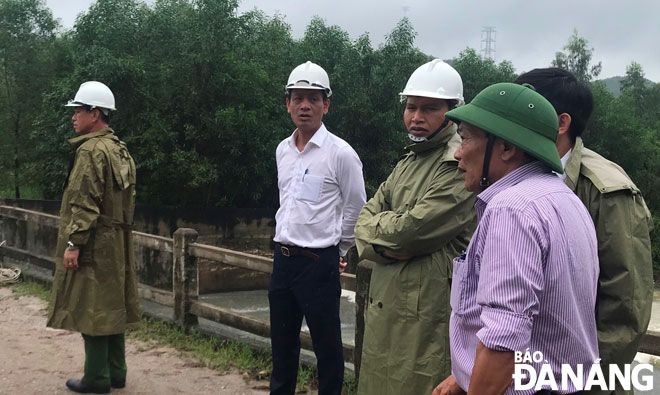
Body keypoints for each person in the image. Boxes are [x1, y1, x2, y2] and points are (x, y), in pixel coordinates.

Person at [434, 82, 599, 395]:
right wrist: (464, 377)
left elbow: (503, 340)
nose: (457, 152)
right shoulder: (563, 198)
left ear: (507, 148)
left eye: (465, 137)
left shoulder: (511, 210)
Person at [515, 68, 654, 395]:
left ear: (561, 124)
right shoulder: (514, 175)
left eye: (523, 113)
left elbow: (625, 308)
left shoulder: (607, 190)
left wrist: (580, 384)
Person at [355, 59, 477, 395]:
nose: (416, 117)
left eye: (429, 109)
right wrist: (383, 238)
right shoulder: (408, 161)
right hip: (387, 305)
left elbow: (415, 231)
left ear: (453, 111)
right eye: (411, 107)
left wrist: (380, 235)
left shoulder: (456, 162)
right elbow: (363, 219)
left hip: (426, 315)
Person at [269, 61, 366, 395]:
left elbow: (356, 205)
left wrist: (339, 250)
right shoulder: (282, 150)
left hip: (318, 264)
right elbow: (288, 204)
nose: (304, 105)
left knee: (327, 348)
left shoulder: (341, 154)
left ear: (326, 104)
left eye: (313, 98)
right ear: (288, 103)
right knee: (282, 347)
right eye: (298, 98)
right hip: (282, 260)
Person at [47, 81, 139, 394]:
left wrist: (74, 244)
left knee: (92, 308)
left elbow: (85, 203)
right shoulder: (119, 149)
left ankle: (96, 379)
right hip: (116, 241)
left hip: (96, 241)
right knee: (112, 305)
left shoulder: (89, 151)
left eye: (78, 110)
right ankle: (117, 372)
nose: (73, 116)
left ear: (94, 113)